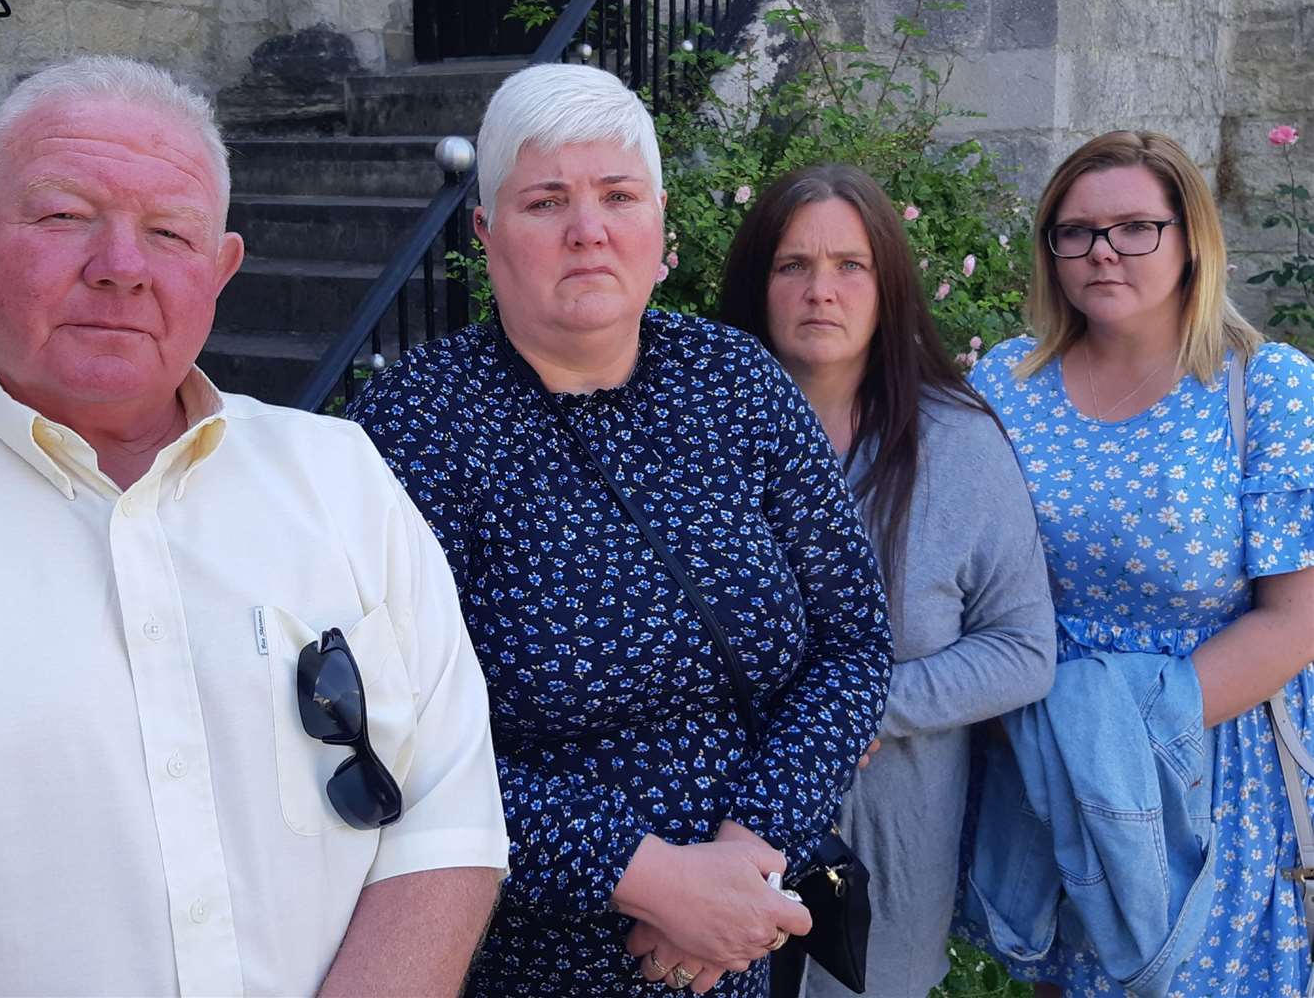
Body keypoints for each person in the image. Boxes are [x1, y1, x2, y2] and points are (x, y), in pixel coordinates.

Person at [0, 56, 510, 997]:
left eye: (169, 232)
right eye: (65, 216)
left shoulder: (341, 480)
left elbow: (444, 820)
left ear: (220, 271)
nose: (121, 268)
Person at [348, 63, 893, 997]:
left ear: (661, 224)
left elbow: (853, 644)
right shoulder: (412, 428)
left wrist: (742, 863)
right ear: (485, 233)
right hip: (522, 955)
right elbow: (386, 739)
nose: (587, 229)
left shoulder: (734, 382)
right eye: (544, 200)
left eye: (617, 195)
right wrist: (650, 881)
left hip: (743, 938)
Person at [967, 129, 1314, 995]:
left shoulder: (1263, 386)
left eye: (1133, 227)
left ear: (1189, 237)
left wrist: (1131, 726)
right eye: (1073, 231)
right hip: (1050, 762)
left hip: (1212, 761)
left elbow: (1295, 618)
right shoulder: (1008, 380)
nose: (1101, 252)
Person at [716, 163, 1058, 998]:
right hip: (703, 827)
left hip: (882, 842)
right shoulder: (697, 434)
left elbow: (1023, 649)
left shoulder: (957, 446)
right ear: (758, 283)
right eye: (791, 265)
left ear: (888, 285)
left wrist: (857, 709)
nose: (818, 291)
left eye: (849, 266)